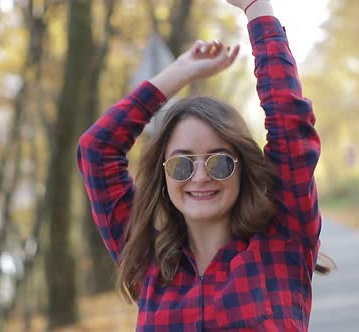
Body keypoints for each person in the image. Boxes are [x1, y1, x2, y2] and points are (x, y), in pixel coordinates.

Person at [77, 0, 330, 330]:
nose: (199, 177)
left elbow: (291, 125)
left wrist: (257, 9)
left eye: (219, 162)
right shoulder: (149, 263)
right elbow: (96, 151)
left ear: (242, 167)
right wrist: (178, 74)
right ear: (164, 173)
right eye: (182, 164)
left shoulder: (282, 241)